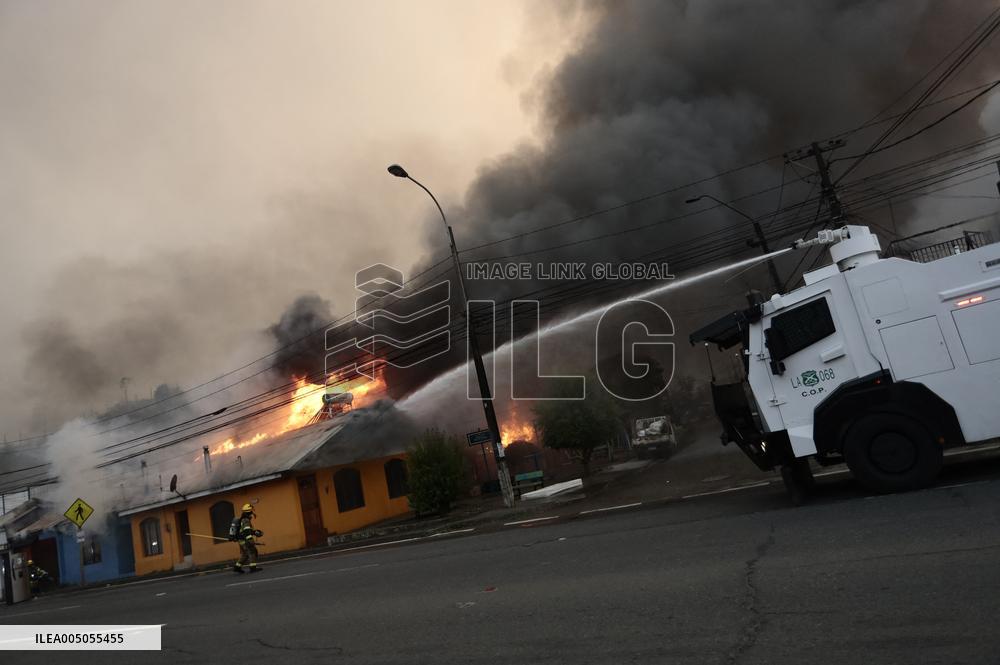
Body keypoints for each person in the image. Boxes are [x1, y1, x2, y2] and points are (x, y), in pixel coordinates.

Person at [233, 503, 263, 574]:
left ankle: (237, 567)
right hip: (245, 540)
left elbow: (246, 530)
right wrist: (250, 540)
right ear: (249, 512)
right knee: (253, 552)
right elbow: (246, 531)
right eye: (251, 511)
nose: (252, 513)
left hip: (241, 540)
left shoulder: (242, 519)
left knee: (244, 554)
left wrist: (254, 532)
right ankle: (253, 568)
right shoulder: (246, 520)